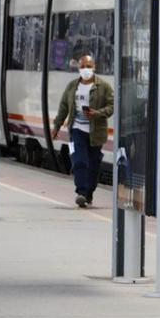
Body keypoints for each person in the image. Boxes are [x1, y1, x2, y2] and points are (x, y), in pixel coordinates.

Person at [51, 55, 114, 208]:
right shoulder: (72, 86)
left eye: (89, 65)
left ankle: (88, 193)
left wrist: (97, 113)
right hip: (76, 129)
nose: (86, 69)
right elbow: (64, 107)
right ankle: (81, 192)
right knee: (79, 161)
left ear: (95, 67)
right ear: (79, 68)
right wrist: (57, 126)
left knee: (93, 165)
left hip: (96, 132)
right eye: (83, 66)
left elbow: (112, 106)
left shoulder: (104, 87)